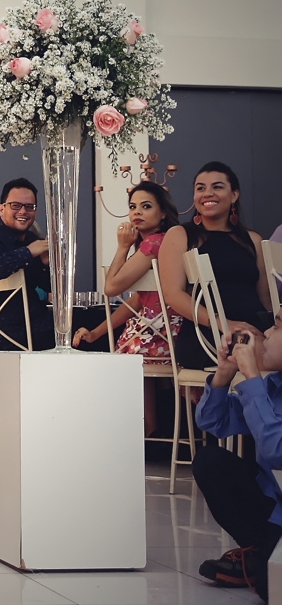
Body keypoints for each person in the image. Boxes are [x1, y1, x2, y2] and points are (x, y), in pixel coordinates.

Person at [73, 182, 182, 434]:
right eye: (133, 207)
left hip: (162, 333)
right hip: (157, 330)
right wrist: (96, 332)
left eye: (146, 206)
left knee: (114, 364)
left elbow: (111, 288)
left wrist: (122, 247)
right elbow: (138, 301)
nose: (137, 212)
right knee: (122, 353)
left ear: (163, 213)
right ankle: (144, 430)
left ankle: (128, 432)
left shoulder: (155, 243)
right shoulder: (158, 242)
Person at [192, 309, 282, 602]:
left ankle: (259, 562)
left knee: (270, 590)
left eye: (277, 327)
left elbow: (277, 451)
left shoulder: (262, 386)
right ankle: (258, 551)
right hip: (274, 505)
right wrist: (224, 373)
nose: (266, 333)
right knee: (210, 461)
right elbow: (212, 422)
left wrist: (252, 378)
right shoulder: (274, 387)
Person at [158, 162, 272, 370]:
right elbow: (173, 295)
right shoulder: (180, 235)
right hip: (210, 334)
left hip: (255, 329)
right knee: (265, 354)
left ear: (234, 195)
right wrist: (223, 323)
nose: (207, 193)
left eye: (217, 187)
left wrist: (274, 330)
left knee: (272, 348)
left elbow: (265, 299)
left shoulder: (253, 240)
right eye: (200, 188)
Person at [0, 178, 54, 351]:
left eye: (29, 207)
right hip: (10, 336)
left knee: (87, 322)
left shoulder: (30, 239)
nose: (23, 211)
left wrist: (46, 264)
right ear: (1, 209)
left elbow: (49, 288)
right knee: (88, 326)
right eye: (15, 205)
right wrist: (28, 252)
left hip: (37, 327)